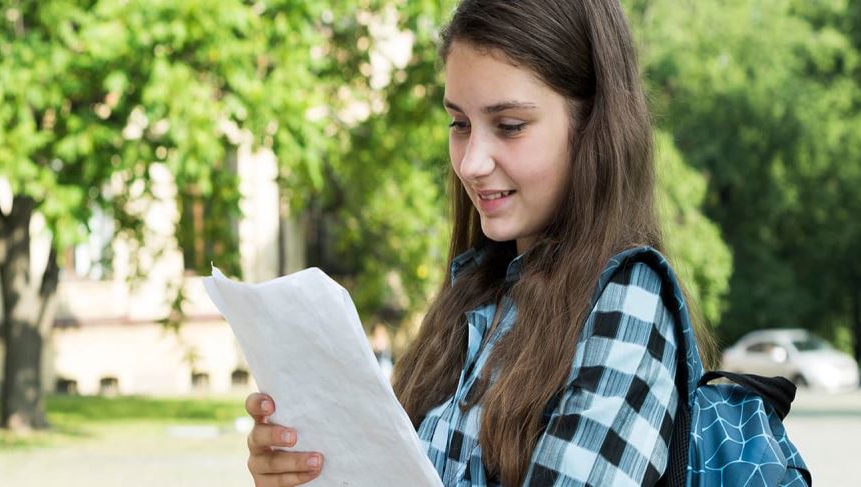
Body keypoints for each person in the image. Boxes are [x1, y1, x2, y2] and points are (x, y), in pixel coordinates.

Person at [243, 0, 715, 485]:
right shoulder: (476, 291)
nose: (470, 163)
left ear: (595, 126)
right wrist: (303, 472)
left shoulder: (627, 297)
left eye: (509, 126)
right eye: (460, 124)